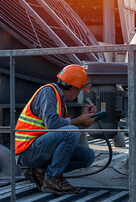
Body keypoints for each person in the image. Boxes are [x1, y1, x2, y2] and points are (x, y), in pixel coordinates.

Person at [15, 64, 97, 195]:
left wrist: (82, 119)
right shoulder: (48, 92)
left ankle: (39, 171)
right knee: (71, 132)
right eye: (80, 90)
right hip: (27, 151)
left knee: (87, 157)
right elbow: (53, 124)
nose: (79, 94)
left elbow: (61, 128)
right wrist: (78, 121)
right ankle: (52, 179)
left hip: (39, 148)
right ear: (74, 88)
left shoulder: (59, 99)